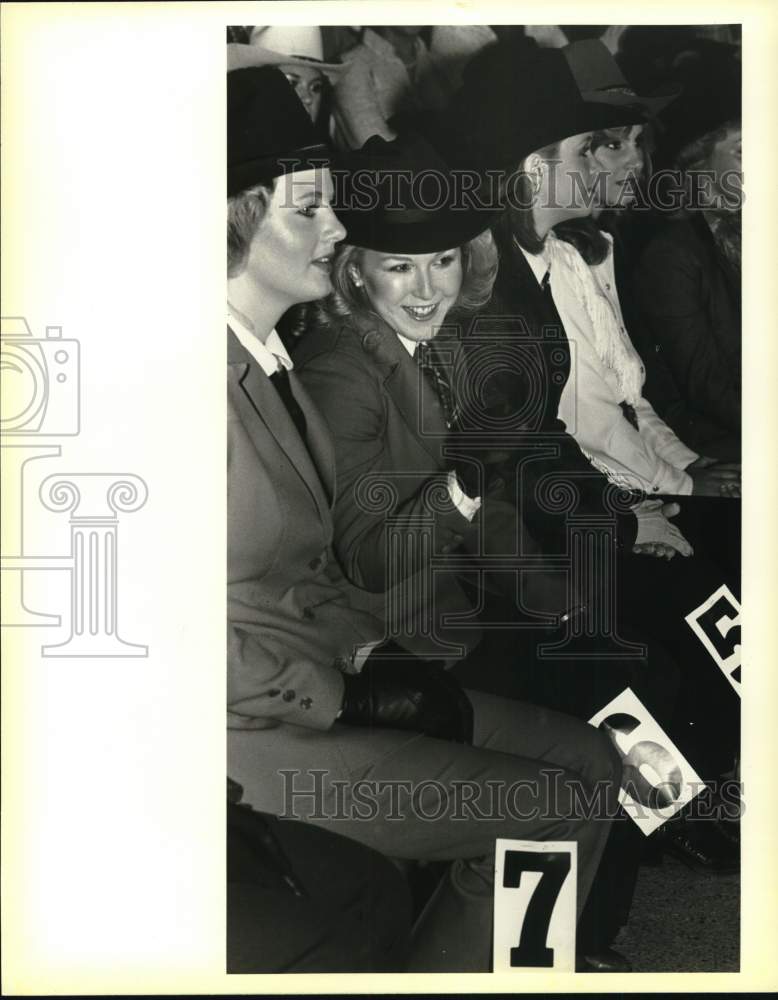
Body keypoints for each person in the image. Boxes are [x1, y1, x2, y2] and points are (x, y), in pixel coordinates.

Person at [226, 65, 623, 973]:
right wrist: (354, 687)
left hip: (348, 658)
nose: (337, 229)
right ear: (235, 218)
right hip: (251, 735)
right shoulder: (250, 370)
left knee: (592, 760)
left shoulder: (268, 359)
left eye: (439, 258)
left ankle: (530, 962)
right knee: (556, 800)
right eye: (312, 210)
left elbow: (314, 567)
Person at [437, 37, 740, 868]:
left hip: (559, 511)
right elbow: (512, 458)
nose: (604, 159)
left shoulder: (532, 270)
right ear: (532, 166)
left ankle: (688, 801)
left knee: (714, 573)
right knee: (683, 597)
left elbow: (549, 437)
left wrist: (631, 505)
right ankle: (671, 813)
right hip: (518, 547)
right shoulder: (486, 290)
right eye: (583, 148)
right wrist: (623, 512)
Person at [633, 120, 742, 463]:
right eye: (743, 151)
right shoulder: (671, 254)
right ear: (698, 164)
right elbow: (704, 383)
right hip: (711, 436)